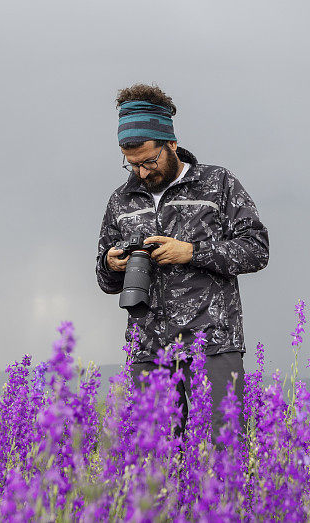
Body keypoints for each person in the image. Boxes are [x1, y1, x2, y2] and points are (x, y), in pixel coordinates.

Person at [95, 83, 269, 443]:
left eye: (148, 161)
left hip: (214, 345)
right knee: (153, 465)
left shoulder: (217, 183)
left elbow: (257, 248)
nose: (141, 172)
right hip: (148, 349)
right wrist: (111, 265)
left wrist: (192, 252)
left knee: (223, 454)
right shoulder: (120, 201)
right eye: (132, 164)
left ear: (170, 143)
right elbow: (106, 282)